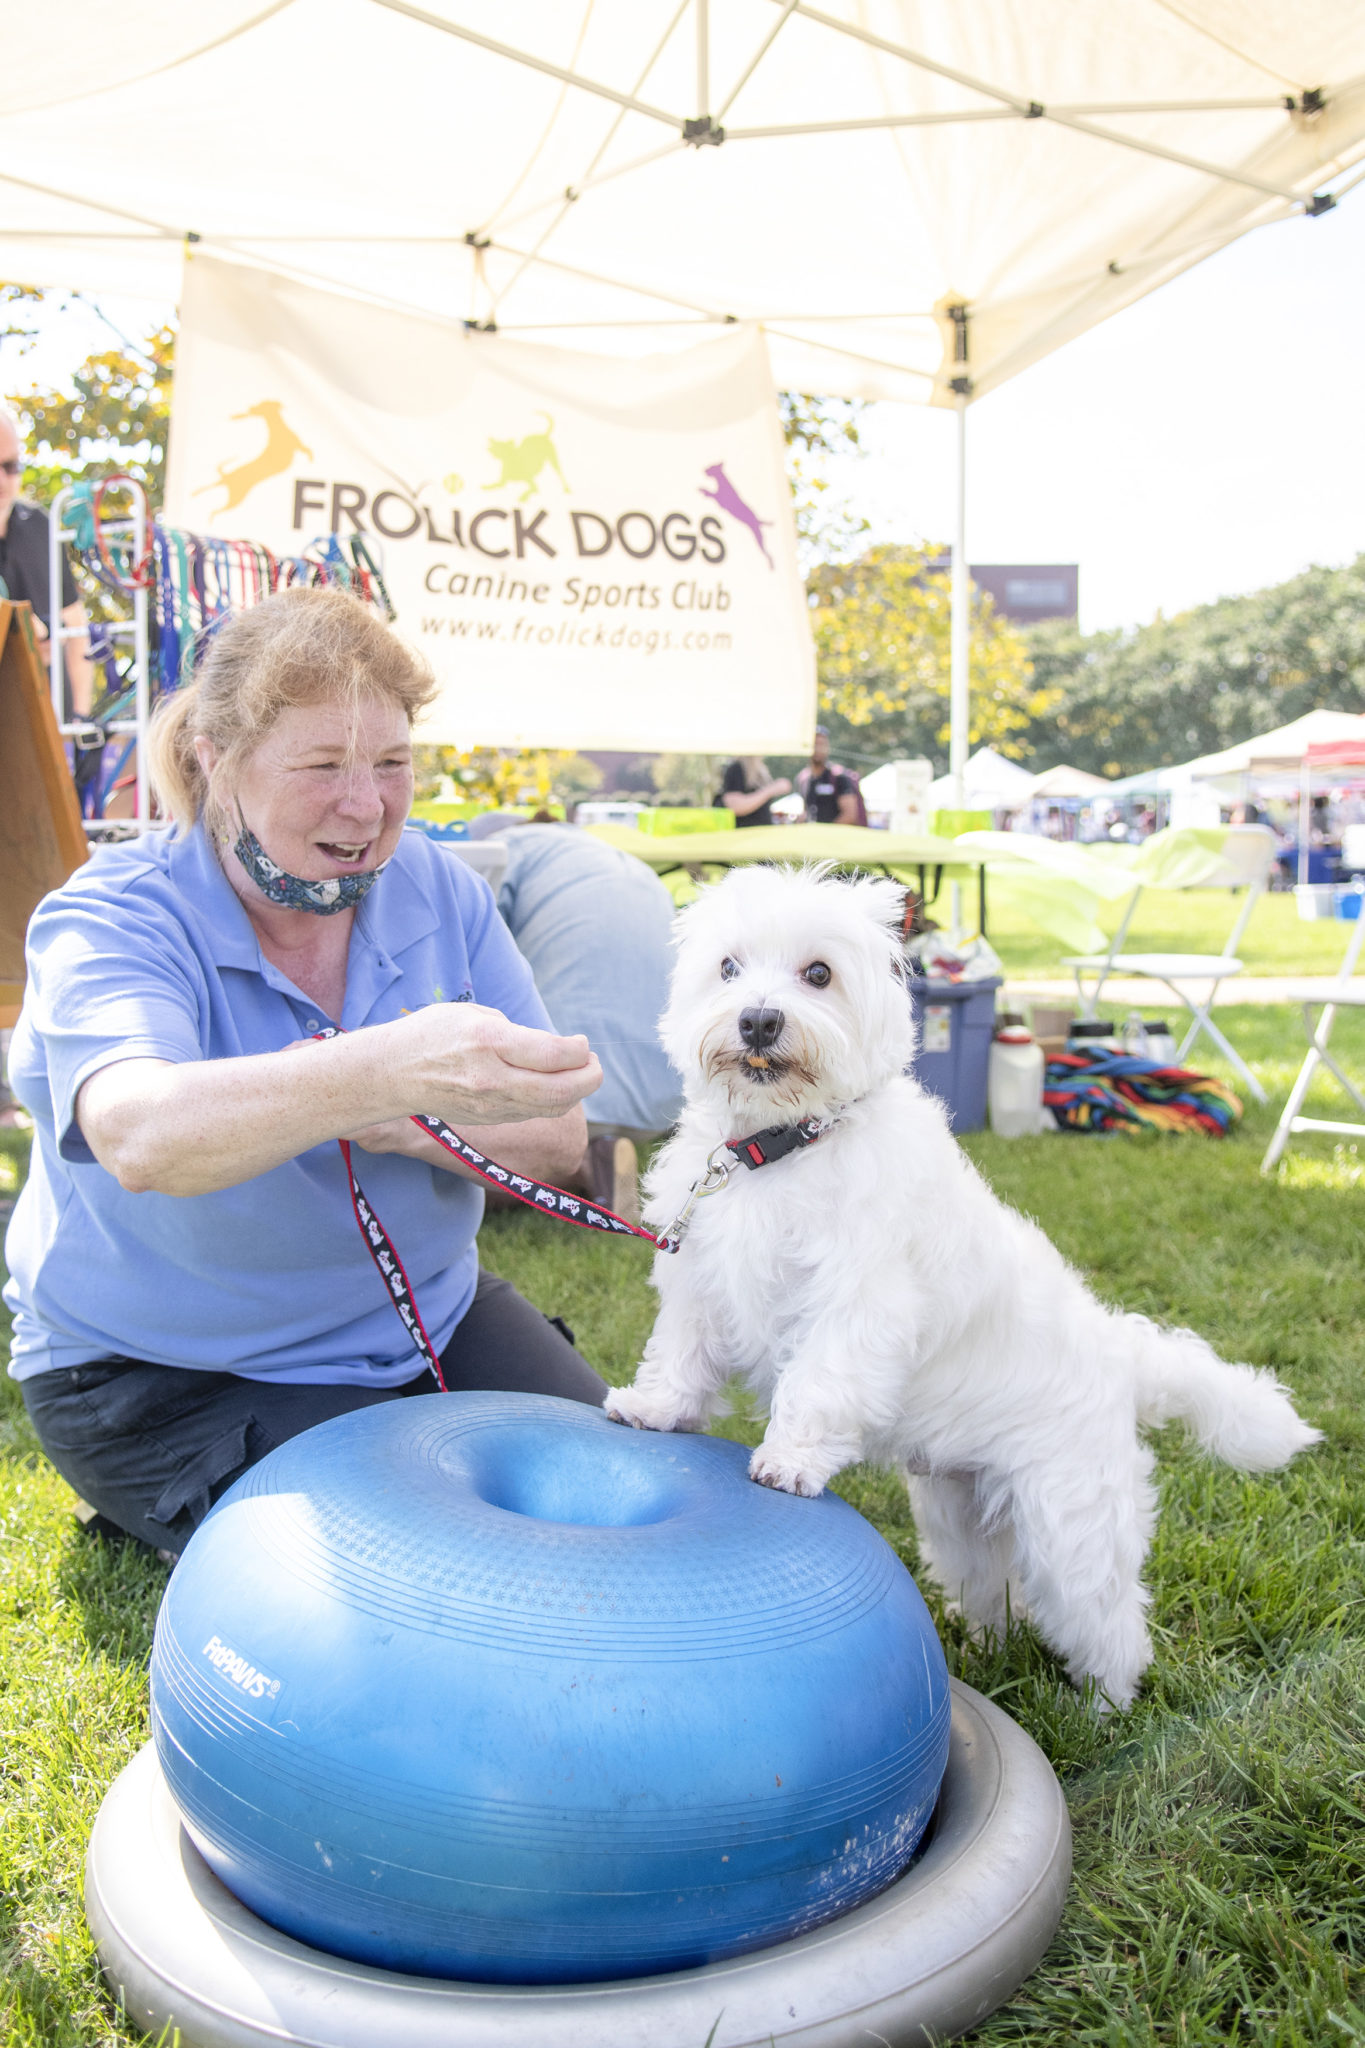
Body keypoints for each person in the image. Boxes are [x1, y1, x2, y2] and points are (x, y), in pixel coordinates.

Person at [4, 587, 605, 1555]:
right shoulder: (113, 915)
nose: (366, 804)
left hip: (425, 1320)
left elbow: (555, 1138)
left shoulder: (441, 888)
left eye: (393, 763)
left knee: (633, 1479)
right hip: (166, 1371)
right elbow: (141, 1135)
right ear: (216, 757)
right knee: (440, 1553)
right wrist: (379, 1070)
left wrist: (396, 1110)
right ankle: (177, 1485)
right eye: (322, 764)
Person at [0, 407, 94, 716]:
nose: (2, 478)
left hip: (50, 724)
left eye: (10, 466)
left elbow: (76, 628)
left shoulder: (40, 526)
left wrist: (79, 724)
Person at [795, 728, 860, 824]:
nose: (818, 749)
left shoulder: (839, 777)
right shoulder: (803, 778)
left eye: (822, 744)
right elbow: (806, 809)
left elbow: (850, 815)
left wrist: (827, 834)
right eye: (815, 744)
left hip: (836, 836)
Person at [718, 756, 791, 828]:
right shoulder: (737, 769)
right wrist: (771, 790)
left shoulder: (759, 771)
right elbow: (734, 805)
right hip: (745, 835)